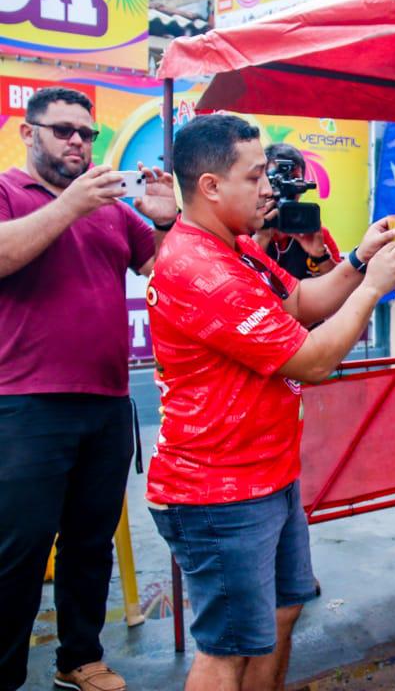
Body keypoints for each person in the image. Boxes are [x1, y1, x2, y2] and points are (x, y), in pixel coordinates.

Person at [145, 114, 395, 691]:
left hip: (268, 474)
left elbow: (302, 300)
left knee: (283, 610)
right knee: (227, 649)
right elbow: (313, 361)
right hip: (217, 491)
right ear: (211, 186)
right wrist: (372, 289)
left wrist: (360, 260)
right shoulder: (199, 269)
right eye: (257, 175)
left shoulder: (239, 250)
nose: (271, 188)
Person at [0, 87, 177, 691]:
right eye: (63, 130)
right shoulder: (9, 192)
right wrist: (68, 206)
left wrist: (163, 220)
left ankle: (79, 658)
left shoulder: (107, 207)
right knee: (18, 552)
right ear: (29, 134)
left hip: (105, 401)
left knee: (90, 542)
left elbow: (167, 269)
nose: (78, 141)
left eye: (87, 133)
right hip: (24, 403)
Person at [254, 144, 341, 280]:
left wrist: (321, 256)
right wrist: (260, 238)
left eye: (294, 180)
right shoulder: (242, 230)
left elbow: (341, 288)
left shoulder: (315, 233)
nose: (286, 188)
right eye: (277, 180)